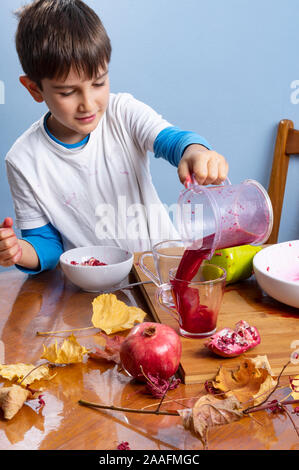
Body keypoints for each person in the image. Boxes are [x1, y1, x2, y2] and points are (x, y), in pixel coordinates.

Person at [0, 0, 229, 274]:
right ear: (34, 89)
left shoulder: (122, 112)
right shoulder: (22, 160)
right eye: (67, 92)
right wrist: (18, 251)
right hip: (91, 291)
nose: (88, 103)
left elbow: (172, 141)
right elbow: (47, 244)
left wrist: (195, 152)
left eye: (98, 83)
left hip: (162, 273)